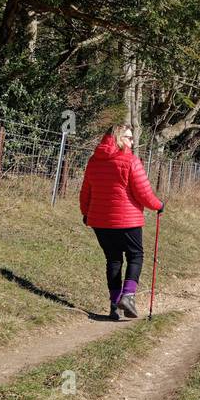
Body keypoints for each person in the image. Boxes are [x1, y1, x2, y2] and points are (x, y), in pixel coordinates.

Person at [78, 124, 164, 319]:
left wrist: (86, 213)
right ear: (118, 138)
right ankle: (128, 295)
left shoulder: (94, 161)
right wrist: (158, 205)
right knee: (135, 256)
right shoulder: (130, 161)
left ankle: (114, 305)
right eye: (129, 137)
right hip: (128, 220)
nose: (132, 141)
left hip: (100, 221)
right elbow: (143, 193)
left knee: (113, 259)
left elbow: (86, 192)